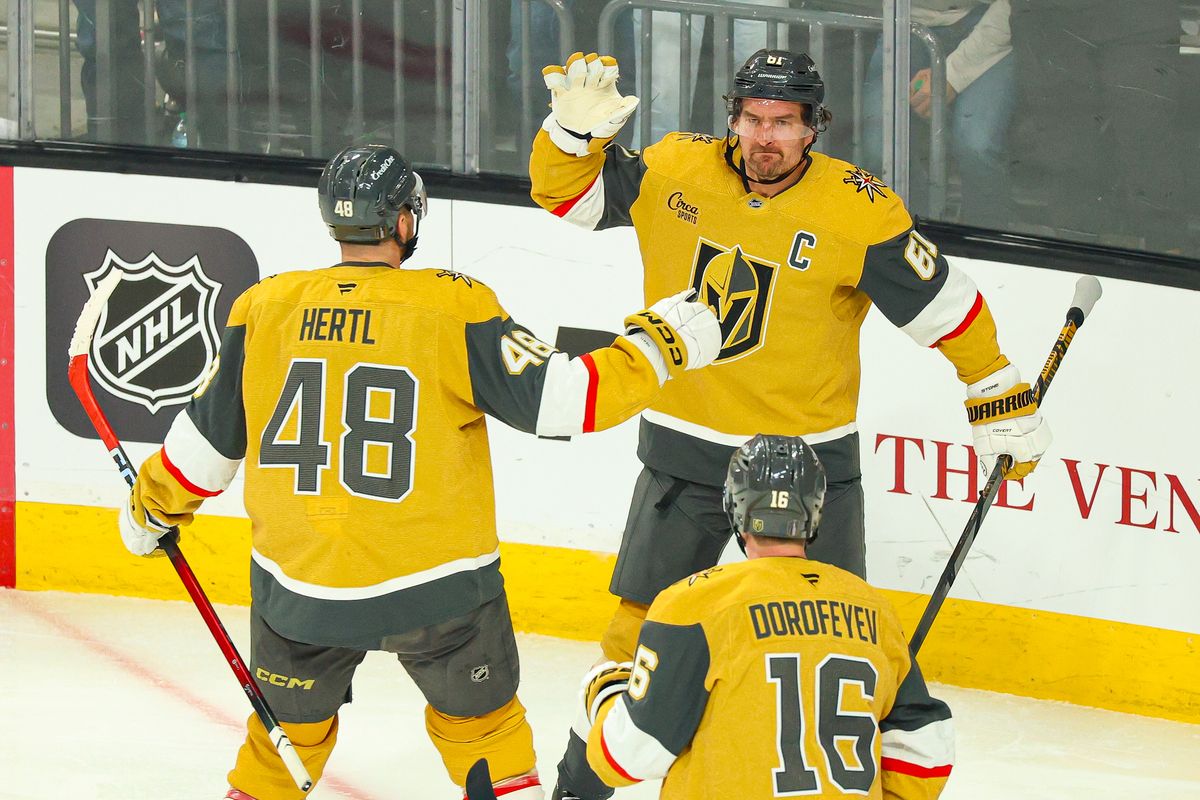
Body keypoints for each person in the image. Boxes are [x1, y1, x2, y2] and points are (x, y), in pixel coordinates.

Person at [116, 143, 721, 800]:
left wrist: (152, 508)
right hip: (440, 596)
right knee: (487, 738)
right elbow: (565, 400)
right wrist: (658, 346)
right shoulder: (451, 307)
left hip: (300, 594)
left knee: (280, 748)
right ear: (405, 221)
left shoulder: (264, 306)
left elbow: (199, 456)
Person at [530, 49, 1048, 799]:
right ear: (732, 118)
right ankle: (578, 790)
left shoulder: (858, 207)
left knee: (835, 628)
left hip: (810, 463)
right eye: (752, 119)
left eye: (784, 123)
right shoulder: (677, 167)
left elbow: (945, 303)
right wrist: (571, 141)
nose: (764, 137)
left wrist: (995, 387)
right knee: (634, 633)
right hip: (688, 446)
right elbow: (569, 201)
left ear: (814, 129)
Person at [575, 435, 955, 799]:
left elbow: (626, 758)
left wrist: (605, 685)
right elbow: (925, 752)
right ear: (816, 511)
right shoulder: (874, 610)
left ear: (733, 506)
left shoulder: (692, 605)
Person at [860, 0, 1015, 227]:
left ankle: (988, 238)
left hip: (993, 23)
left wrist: (952, 74)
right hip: (902, 22)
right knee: (879, 147)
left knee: (977, 145)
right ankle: (918, 229)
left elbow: (1018, 7)